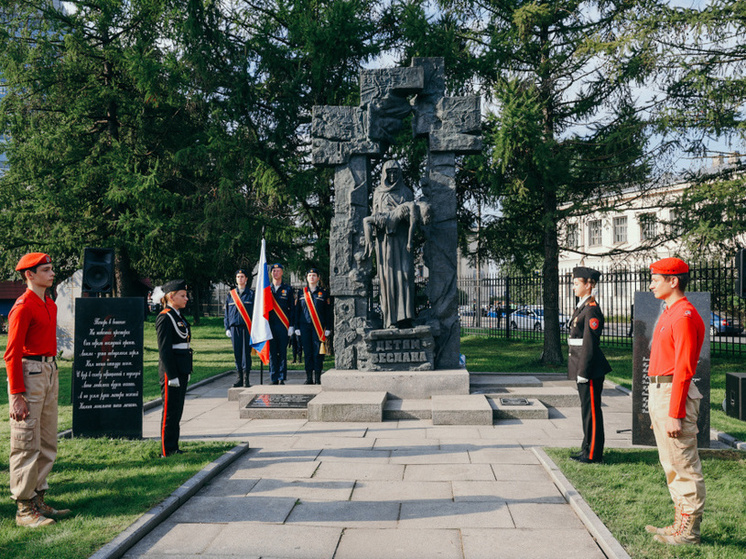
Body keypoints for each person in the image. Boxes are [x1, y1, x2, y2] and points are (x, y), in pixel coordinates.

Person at [4, 252, 71, 527]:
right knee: (26, 441)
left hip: (49, 369)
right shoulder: (22, 306)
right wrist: (17, 395)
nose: (52, 273)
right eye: (46, 270)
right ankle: (24, 508)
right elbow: (11, 354)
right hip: (29, 372)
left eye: (52, 269)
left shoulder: (49, 304)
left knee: (46, 439)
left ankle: (39, 498)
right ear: (29, 275)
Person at [644, 257, 706, 546]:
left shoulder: (683, 315)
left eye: (656, 279)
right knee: (670, 462)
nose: (651, 284)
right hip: (661, 391)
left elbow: (683, 367)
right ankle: (680, 522)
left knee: (683, 463)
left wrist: (675, 412)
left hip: (673, 393)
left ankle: (688, 532)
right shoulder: (671, 311)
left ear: (673, 281)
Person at [363, 159, 430, 329]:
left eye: (395, 172)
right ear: (384, 174)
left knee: (406, 276)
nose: (392, 175)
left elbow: (412, 216)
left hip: (402, 240)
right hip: (385, 242)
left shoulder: (406, 192)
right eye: (389, 172)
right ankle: (391, 320)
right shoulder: (379, 193)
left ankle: (406, 317)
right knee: (387, 278)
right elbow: (374, 215)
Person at [567, 267, 611, 464]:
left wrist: (583, 371)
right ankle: (587, 448)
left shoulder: (591, 309)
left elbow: (590, 344)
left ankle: (593, 453)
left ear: (589, 285)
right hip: (582, 366)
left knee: (592, 411)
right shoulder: (583, 307)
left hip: (590, 369)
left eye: (577, 283)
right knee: (587, 411)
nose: (574, 286)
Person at [156, 280, 193, 457]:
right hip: (171, 370)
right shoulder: (165, 317)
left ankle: (174, 446)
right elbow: (164, 349)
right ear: (171, 296)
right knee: (170, 411)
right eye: (182, 295)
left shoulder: (177, 315)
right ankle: (166, 449)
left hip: (182, 368)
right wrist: (171, 375)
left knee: (177, 409)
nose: (186, 298)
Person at [294, 268, 331, 384]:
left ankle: (318, 377)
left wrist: (329, 327)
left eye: (314, 275)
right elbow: (297, 311)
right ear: (307, 278)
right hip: (305, 327)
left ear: (318, 278)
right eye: (310, 275)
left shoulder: (323, 293)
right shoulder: (301, 293)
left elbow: (328, 312)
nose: (312, 277)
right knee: (308, 352)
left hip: (318, 327)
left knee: (318, 353)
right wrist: (296, 327)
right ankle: (309, 377)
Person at [224, 269, 254, 388]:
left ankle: (246, 379)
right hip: (234, 328)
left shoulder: (251, 294)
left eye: (242, 277)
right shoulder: (231, 295)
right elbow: (226, 313)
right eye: (238, 277)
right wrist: (227, 327)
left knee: (246, 354)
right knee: (237, 353)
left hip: (247, 328)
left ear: (246, 279)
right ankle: (239, 378)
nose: (240, 279)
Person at [268, 263, 294, 385]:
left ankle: (282, 377)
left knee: (282, 352)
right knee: (272, 353)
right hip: (270, 326)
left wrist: (291, 326)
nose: (275, 273)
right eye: (273, 271)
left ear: (282, 272)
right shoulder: (266, 289)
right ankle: (273, 377)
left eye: (278, 271)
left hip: (283, 326)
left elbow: (292, 309)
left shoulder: (287, 289)